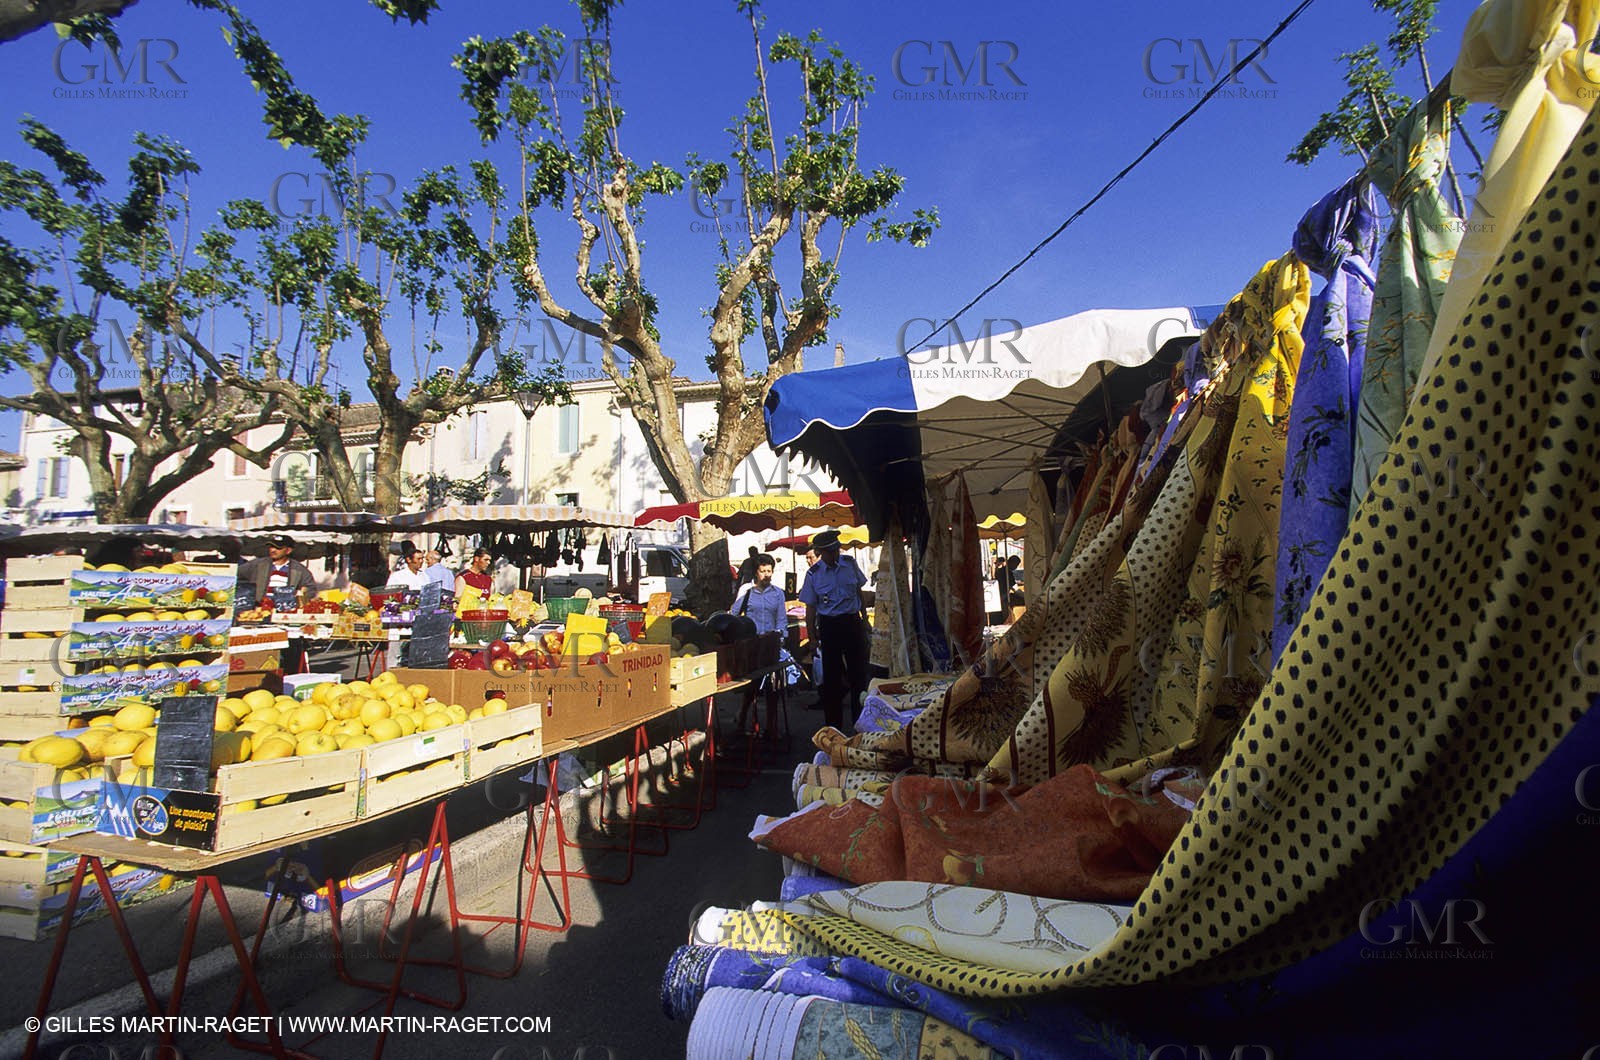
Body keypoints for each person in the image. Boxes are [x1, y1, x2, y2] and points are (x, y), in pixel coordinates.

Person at [798, 529, 870, 730]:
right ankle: (833, 729)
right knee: (832, 681)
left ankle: (860, 725)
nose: (835, 554)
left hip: (852, 623)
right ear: (821, 552)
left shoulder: (850, 564)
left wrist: (864, 619)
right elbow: (810, 608)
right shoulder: (813, 574)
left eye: (836, 550)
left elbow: (858, 593)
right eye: (830, 552)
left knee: (859, 676)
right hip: (830, 626)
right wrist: (812, 638)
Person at [732, 553, 789, 736]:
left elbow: (781, 620)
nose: (767, 575)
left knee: (773, 688)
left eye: (769, 571)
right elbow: (734, 615)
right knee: (751, 687)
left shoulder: (778, 593)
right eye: (763, 571)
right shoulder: (746, 591)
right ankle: (742, 719)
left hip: (771, 645)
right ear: (756, 572)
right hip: (751, 645)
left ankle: (771, 726)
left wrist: (780, 638)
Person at [237, 534, 317, 605]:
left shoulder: (299, 569)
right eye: (271, 546)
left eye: (278, 548)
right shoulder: (257, 564)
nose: (273, 550)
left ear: (288, 550)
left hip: (285, 609)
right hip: (260, 607)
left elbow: (310, 588)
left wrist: (298, 595)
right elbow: (235, 574)